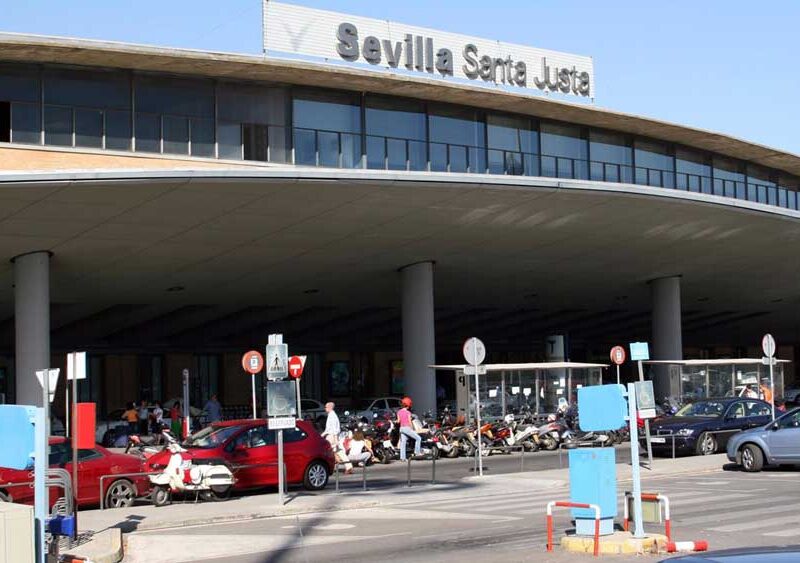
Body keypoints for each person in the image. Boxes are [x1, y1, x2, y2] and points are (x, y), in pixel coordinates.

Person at [321, 402, 352, 473]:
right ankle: (348, 466)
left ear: (330, 407)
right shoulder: (332, 415)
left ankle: (328, 466)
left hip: (331, 436)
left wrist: (335, 438)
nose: (325, 408)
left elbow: (333, 429)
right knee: (338, 451)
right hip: (332, 435)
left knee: (327, 450)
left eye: (326, 407)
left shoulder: (332, 416)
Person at [397, 396, 422, 461]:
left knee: (403, 443)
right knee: (418, 438)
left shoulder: (399, 412)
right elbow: (410, 422)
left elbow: (398, 421)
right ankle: (417, 452)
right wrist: (413, 429)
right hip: (407, 428)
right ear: (408, 405)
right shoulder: (408, 413)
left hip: (401, 428)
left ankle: (402, 458)